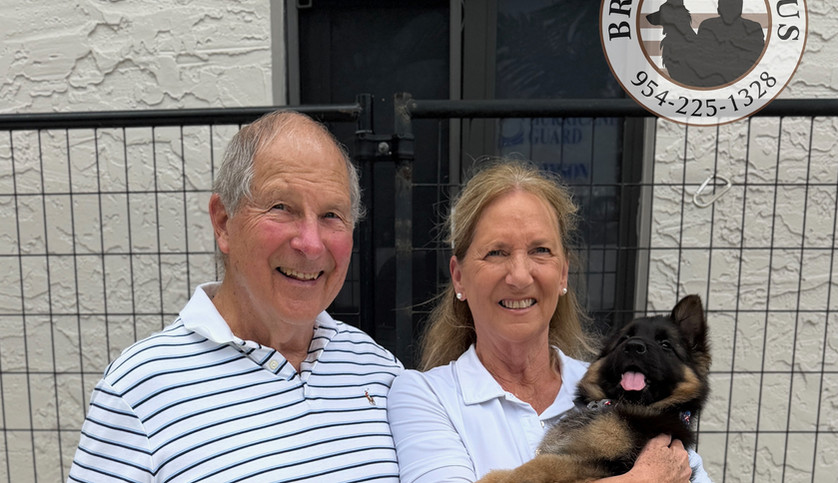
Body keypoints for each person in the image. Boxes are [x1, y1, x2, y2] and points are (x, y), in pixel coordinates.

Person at [68, 110, 403, 482]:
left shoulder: (379, 371)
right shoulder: (139, 391)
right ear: (224, 222)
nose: (310, 244)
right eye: (281, 208)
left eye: (331, 215)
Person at [387, 159, 711, 482]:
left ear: (563, 273)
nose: (519, 276)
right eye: (496, 252)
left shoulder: (609, 383)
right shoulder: (426, 395)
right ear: (459, 277)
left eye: (540, 250)